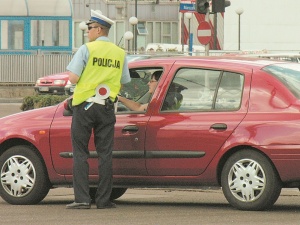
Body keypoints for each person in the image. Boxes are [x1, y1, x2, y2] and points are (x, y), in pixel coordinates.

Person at [66, 9, 131, 209]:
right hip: (106, 108)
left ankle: (83, 199)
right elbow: (124, 81)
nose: (87, 32)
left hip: (85, 106)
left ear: (99, 29)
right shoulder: (120, 53)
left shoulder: (87, 49)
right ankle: (104, 200)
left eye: (90, 28)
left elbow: (73, 78)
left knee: (80, 153)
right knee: (105, 154)